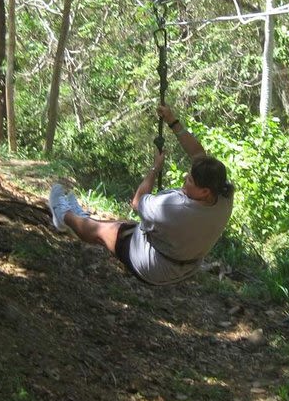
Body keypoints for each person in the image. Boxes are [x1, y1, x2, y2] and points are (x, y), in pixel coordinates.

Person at [48, 104, 234, 285]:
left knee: (105, 233)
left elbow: (137, 202)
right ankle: (82, 218)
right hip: (185, 263)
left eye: (190, 180)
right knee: (122, 226)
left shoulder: (174, 207)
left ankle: (63, 215)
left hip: (154, 267)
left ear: (204, 191)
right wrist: (172, 121)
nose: (185, 179)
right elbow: (198, 153)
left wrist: (155, 168)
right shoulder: (223, 195)